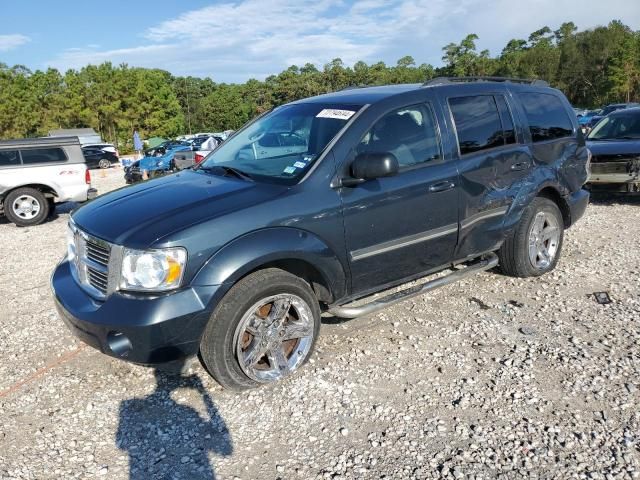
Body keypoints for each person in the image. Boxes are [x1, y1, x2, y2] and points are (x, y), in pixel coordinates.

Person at [116, 361, 233, 479]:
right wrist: (203, 393)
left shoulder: (129, 406)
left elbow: (121, 443)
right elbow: (226, 449)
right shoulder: (189, 411)